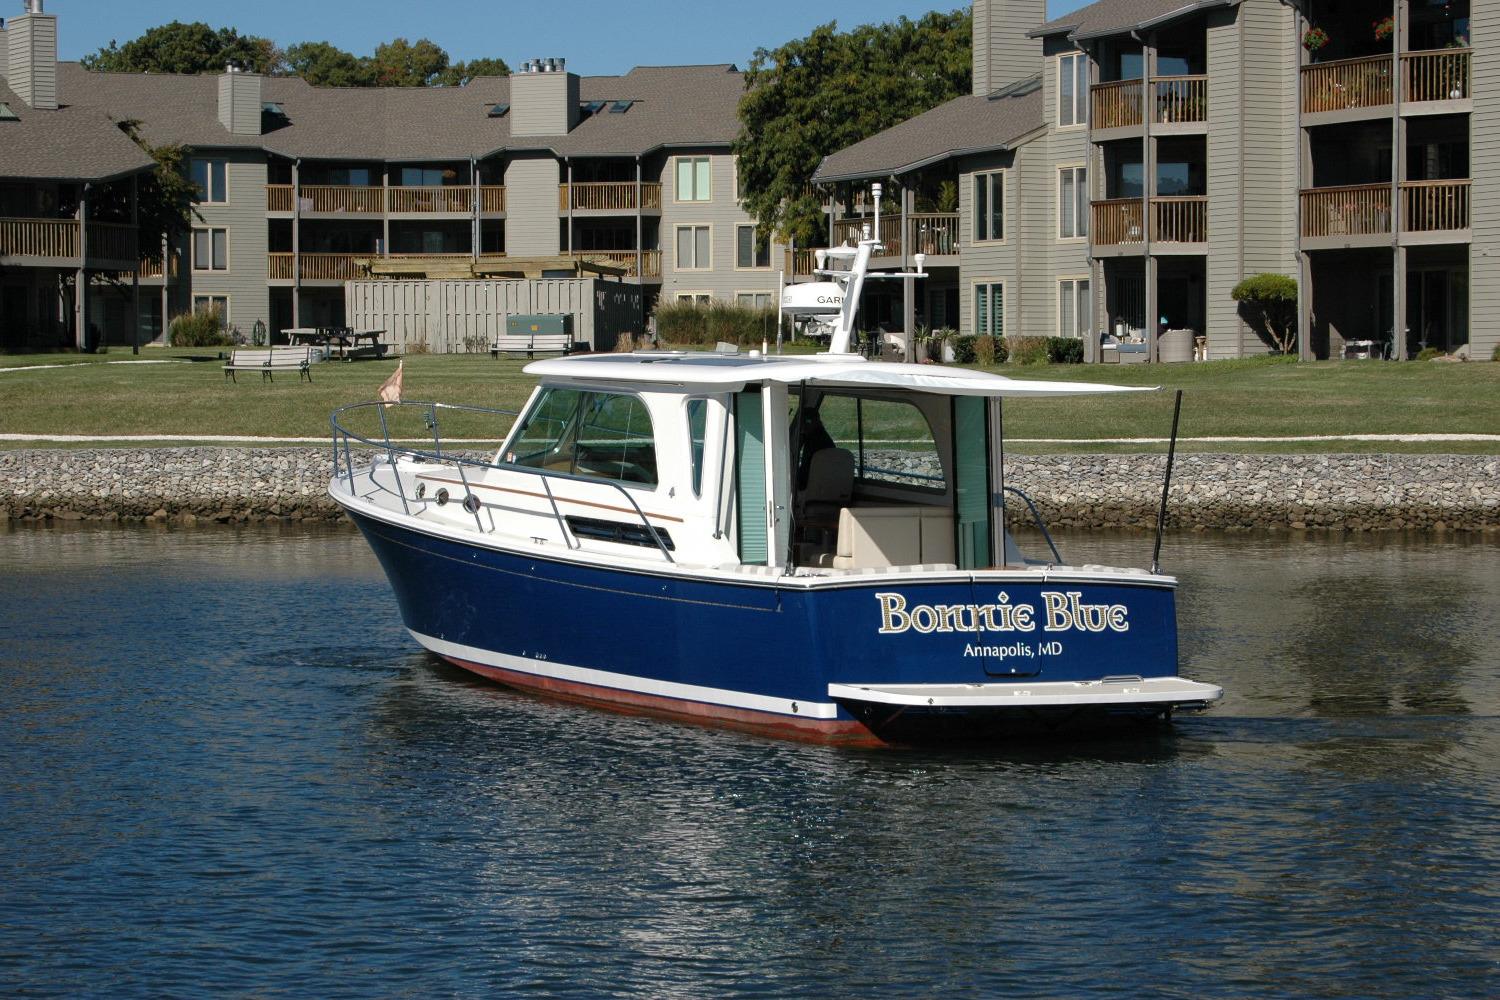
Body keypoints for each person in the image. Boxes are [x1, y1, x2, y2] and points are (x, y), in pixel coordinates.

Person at [795, 406, 835, 489]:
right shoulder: (824, 438)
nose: (804, 426)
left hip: (813, 487)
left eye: (807, 422)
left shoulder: (814, 441)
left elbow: (805, 470)